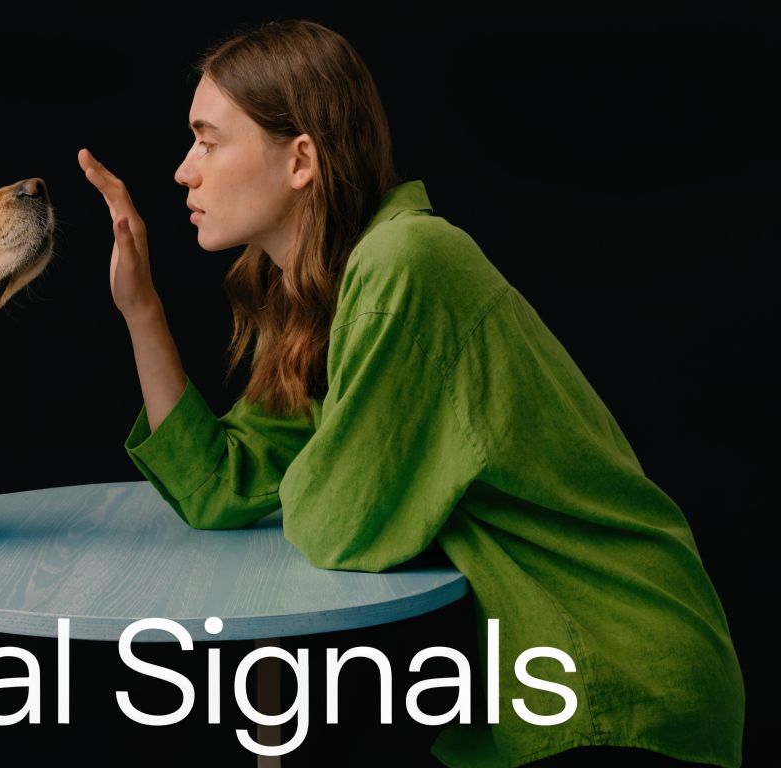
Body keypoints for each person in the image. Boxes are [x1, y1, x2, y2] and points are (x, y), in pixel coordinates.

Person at [77, 19, 743, 768]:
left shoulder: (406, 265)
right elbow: (217, 487)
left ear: (301, 160)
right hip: (550, 691)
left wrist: (324, 469)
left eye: (208, 141)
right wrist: (142, 311)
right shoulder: (330, 296)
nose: (182, 172)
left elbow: (338, 524)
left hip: (617, 682)